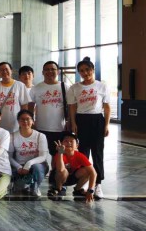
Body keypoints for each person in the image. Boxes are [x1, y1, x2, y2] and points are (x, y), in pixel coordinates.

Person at [67, 57, 111, 199]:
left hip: (97, 120)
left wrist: (106, 124)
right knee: (82, 154)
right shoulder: (75, 88)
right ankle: (84, 181)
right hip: (81, 120)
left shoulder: (102, 86)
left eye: (87, 70)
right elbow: (72, 107)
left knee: (98, 153)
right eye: (81, 71)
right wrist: (73, 122)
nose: (85, 73)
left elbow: (107, 107)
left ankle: (98, 184)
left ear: (93, 70)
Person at [30, 61, 70, 155]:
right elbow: (30, 106)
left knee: (58, 154)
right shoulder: (36, 88)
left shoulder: (65, 87)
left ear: (58, 71)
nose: (50, 71)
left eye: (53, 69)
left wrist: (69, 122)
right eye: (47, 69)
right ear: (42, 72)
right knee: (42, 154)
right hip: (40, 128)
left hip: (60, 128)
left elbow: (70, 106)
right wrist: (32, 122)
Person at [9, 110, 49, 197]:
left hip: (36, 165)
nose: (25, 121)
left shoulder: (40, 136)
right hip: (19, 167)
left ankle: (35, 186)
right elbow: (9, 157)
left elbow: (43, 156)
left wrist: (29, 163)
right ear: (18, 122)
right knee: (20, 188)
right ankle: (19, 184)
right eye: (22, 119)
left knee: (37, 167)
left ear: (33, 121)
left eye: (28, 119)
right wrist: (18, 167)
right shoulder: (12, 136)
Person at [48, 133, 97, 203]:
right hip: (58, 178)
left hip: (72, 178)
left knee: (87, 171)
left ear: (77, 146)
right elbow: (60, 169)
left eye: (71, 141)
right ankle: (58, 189)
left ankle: (77, 190)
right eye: (66, 141)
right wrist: (60, 153)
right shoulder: (59, 154)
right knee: (63, 172)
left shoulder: (80, 156)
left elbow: (93, 173)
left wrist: (91, 190)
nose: (69, 143)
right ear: (61, 144)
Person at [0, 62, 30, 133]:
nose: (4, 72)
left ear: (11, 70)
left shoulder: (20, 85)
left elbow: (24, 106)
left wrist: (23, 121)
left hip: (16, 123)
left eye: (6, 69)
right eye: (1, 70)